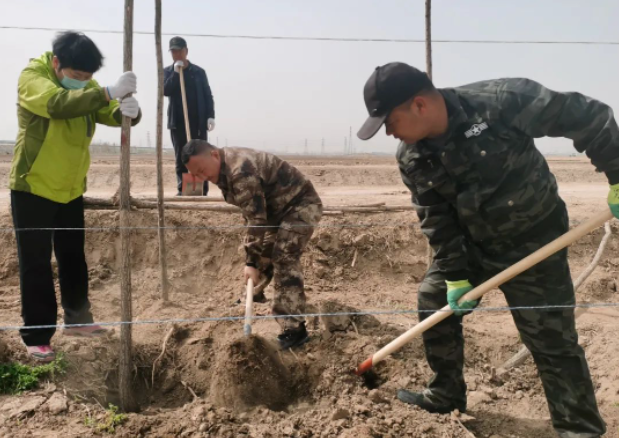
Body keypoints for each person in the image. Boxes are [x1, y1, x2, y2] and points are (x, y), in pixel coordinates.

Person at [357, 62, 619, 438]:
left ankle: (580, 429)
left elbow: (590, 117)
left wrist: (618, 176)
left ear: (418, 105)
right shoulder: (412, 158)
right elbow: (436, 217)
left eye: (389, 122)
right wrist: (455, 274)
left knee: (551, 339)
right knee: (434, 300)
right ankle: (446, 393)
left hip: (536, 241)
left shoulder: (502, 101)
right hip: (473, 245)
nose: (389, 133)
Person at [10, 31, 142, 362]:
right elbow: (57, 105)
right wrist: (107, 91)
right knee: (36, 264)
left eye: (88, 79)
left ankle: (78, 320)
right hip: (33, 187)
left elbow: (105, 110)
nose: (82, 83)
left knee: (72, 256)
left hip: (70, 188)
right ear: (57, 64)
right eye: (77, 77)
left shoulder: (83, 90)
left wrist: (128, 110)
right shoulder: (33, 79)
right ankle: (37, 336)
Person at [182, 141, 322, 349]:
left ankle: (294, 328)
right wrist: (255, 258)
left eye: (202, 171)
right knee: (263, 252)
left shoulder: (240, 170)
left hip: (300, 205)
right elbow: (251, 213)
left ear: (214, 155)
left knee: (284, 256)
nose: (203, 178)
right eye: (197, 175)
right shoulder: (223, 170)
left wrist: (250, 261)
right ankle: (253, 293)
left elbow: (256, 220)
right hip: (277, 212)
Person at [164, 36, 215, 196]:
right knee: (181, 156)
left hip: (198, 122)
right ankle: (183, 190)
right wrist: (174, 72)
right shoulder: (167, 71)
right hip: (177, 123)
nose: (177, 54)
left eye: (179, 51)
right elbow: (165, 91)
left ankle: (201, 190)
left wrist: (210, 115)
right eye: (173, 51)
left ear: (186, 51)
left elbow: (208, 95)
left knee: (200, 155)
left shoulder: (199, 72)